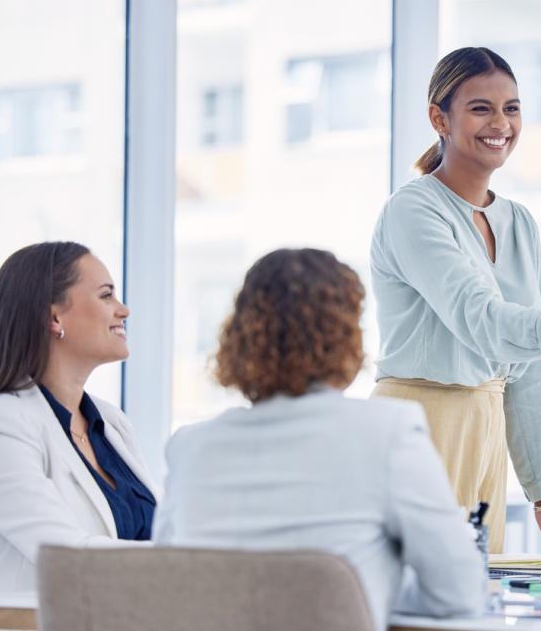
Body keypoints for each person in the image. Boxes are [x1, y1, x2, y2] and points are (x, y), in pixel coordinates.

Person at [370, 46, 541, 554]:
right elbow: (482, 320)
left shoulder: (519, 222)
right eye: (480, 108)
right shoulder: (412, 211)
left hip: (484, 430)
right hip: (417, 425)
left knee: (474, 600)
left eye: (512, 108)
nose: (501, 123)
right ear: (438, 118)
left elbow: (528, 363)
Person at [152, 248, 484, 631]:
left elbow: (170, 583)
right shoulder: (388, 432)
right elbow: (458, 593)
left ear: (239, 337)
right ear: (346, 338)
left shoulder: (190, 447)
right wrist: (375, 586)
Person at [0, 242, 158, 595]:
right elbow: (63, 554)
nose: (124, 310)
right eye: (106, 296)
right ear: (54, 318)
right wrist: (190, 561)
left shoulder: (112, 424)